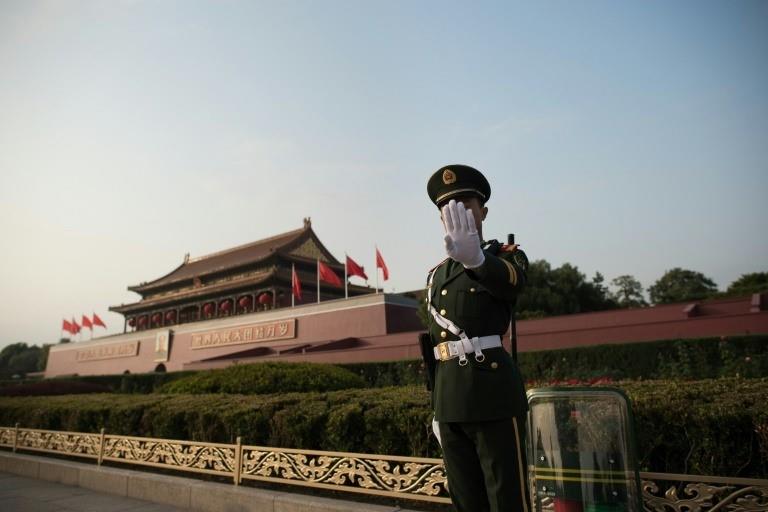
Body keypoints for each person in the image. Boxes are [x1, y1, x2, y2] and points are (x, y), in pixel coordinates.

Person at [424, 164, 531, 512]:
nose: (456, 212)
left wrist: (478, 260)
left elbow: (513, 284)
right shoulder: (436, 275)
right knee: (466, 500)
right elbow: (436, 343)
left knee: (506, 498)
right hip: (449, 400)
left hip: (492, 394)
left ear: (483, 211)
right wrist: (438, 405)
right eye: (447, 208)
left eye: (466, 204)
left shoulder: (506, 256)